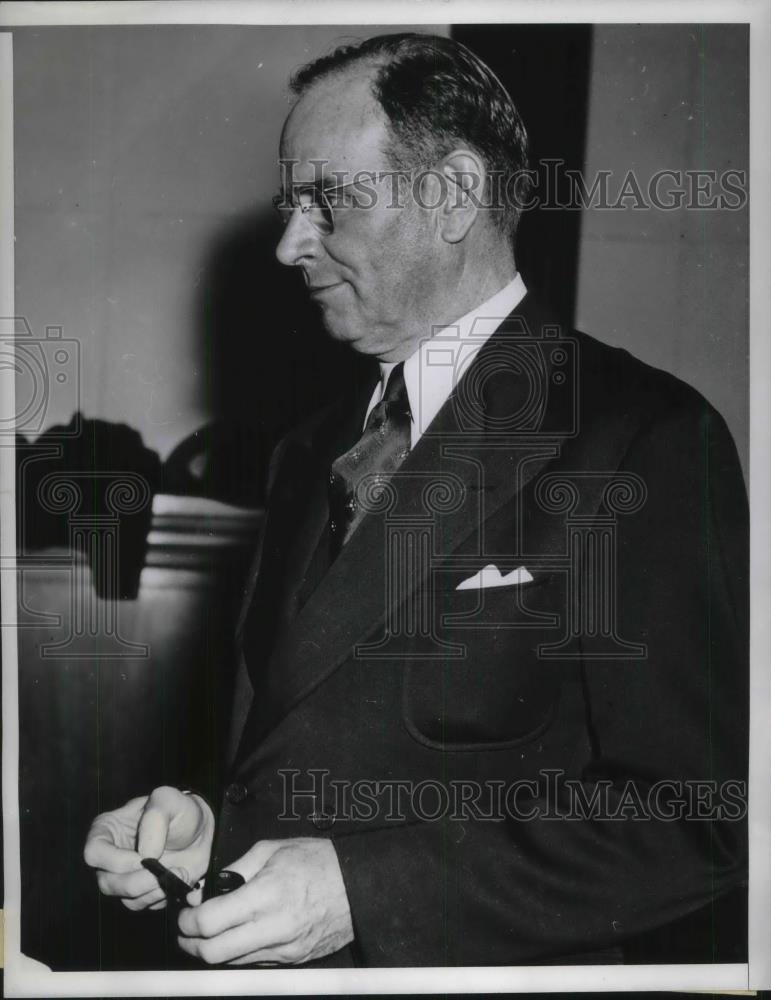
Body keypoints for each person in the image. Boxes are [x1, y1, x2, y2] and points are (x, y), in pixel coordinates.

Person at [83, 33, 748, 967]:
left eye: (326, 201)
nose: (287, 244)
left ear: (452, 194)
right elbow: (297, 744)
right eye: (288, 204)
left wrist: (364, 891)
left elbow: (700, 823)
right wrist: (205, 834)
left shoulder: (645, 437)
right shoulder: (307, 451)